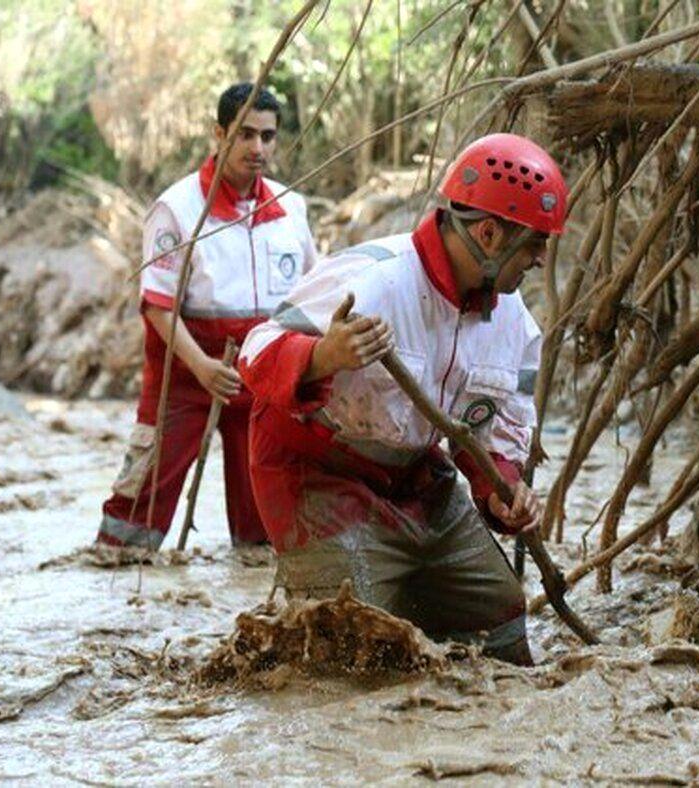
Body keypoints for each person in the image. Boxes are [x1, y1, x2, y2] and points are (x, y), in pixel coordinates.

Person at [238, 133, 568, 665]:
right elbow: (256, 351)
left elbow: (489, 440)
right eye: (533, 245)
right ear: (488, 233)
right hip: (316, 473)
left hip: (414, 476)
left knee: (500, 613)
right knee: (356, 640)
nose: (539, 259)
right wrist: (324, 356)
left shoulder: (516, 328)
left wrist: (503, 492)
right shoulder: (371, 277)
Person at [96, 83, 317, 549]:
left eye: (268, 137)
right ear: (219, 134)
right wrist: (202, 367)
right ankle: (116, 577)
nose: (258, 148)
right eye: (245, 134)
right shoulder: (177, 209)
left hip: (260, 376)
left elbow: (311, 295)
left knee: (263, 526)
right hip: (185, 372)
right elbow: (157, 305)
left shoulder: (292, 208)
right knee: (136, 513)